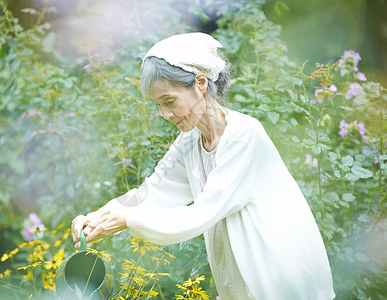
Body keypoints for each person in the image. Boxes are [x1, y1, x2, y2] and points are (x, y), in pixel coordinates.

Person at [71, 32, 335, 300]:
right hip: (237, 278)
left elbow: (204, 212)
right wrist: (100, 216)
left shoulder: (244, 135)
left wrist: (127, 220)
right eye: (158, 105)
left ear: (200, 83)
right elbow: (154, 191)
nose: (165, 114)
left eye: (169, 101)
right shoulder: (190, 140)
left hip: (275, 269)